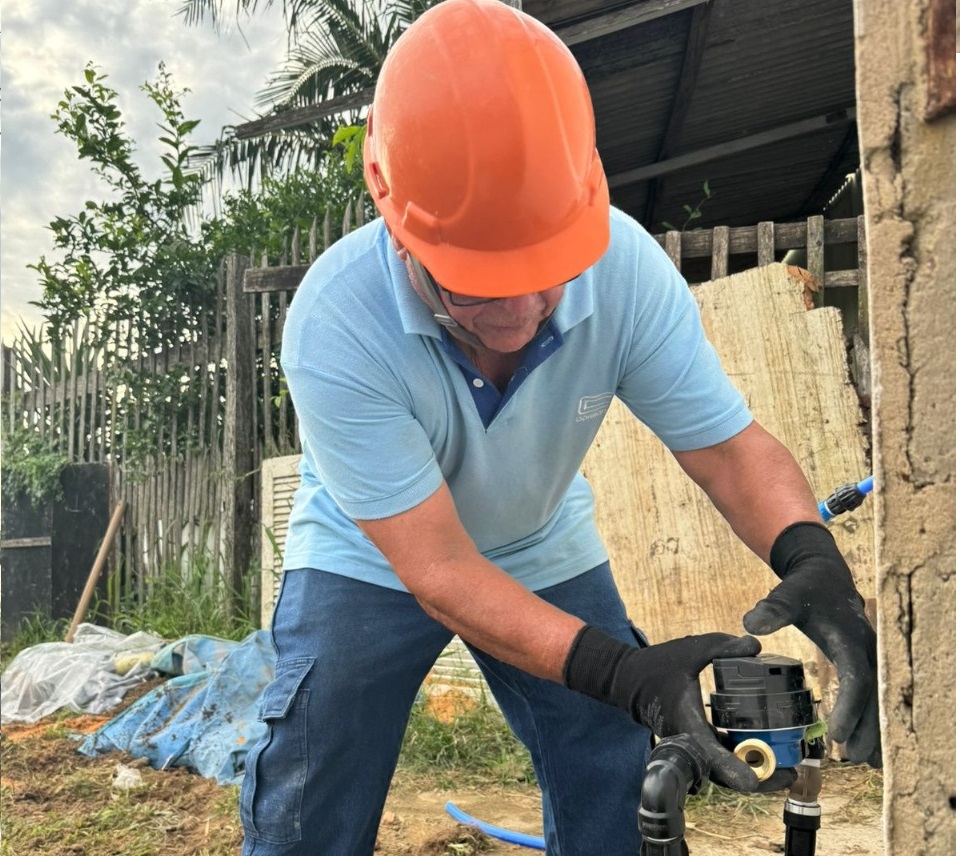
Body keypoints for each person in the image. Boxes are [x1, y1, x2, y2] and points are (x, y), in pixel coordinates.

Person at [239, 1, 881, 853]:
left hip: (540, 541)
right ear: (397, 224)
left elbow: (728, 449)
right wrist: (619, 668)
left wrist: (812, 557)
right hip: (375, 557)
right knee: (312, 786)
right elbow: (435, 567)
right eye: (473, 285)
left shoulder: (624, 271)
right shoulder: (335, 320)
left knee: (612, 763)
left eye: (545, 274)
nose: (517, 318)